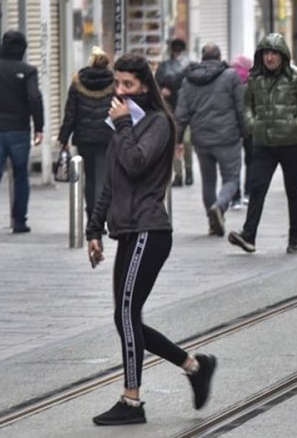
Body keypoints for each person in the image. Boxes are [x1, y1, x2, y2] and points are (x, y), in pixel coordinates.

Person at [86, 53, 216, 426]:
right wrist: (93, 231)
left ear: (145, 86)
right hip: (128, 231)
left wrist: (124, 124)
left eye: (128, 85)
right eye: (118, 84)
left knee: (126, 314)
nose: (121, 91)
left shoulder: (158, 122)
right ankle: (194, 366)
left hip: (150, 230)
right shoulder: (122, 125)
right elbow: (110, 183)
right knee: (125, 316)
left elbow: (137, 163)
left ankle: (131, 401)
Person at [227, 33, 297, 254]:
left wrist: (296, 124)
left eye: (274, 53)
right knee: (257, 189)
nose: (270, 58)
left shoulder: (296, 76)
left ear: (282, 55)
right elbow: (246, 104)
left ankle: (294, 238)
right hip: (263, 144)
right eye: (266, 53)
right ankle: (248, 235)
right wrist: (252, 124)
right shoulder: (254, 78)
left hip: (290, 144)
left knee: (292, 191)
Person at [173, 43, 246, 236]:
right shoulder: (230, 76)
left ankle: (213, 222)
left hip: (201, 139)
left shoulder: (189, 81)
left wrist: (178, 141)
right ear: (220, 56)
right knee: (231, 178)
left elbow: (180, 115)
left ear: (202, 58)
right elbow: (242, 108)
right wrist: (246, 133)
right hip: (227, 138)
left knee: (208, 181)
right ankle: (220, 207)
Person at [0, 30, 44, 235]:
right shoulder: (28, 70)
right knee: (21, 174)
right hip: (19, 130)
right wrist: (39, 127)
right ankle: (19, 221)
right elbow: (34, 98)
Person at [57, 46, 115, 222]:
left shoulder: (78, 82)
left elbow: (70, 114)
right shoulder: (114, 82)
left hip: (84, 138)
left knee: (89, 178)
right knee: (103, 177)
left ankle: (91, 215)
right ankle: (101, 217)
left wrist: (63, 138)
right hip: (107, 137)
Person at [155, 38, 194, 187]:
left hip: (184, 109)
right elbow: (156, 83)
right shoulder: (165, 66)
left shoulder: (189, 65)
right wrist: (161, 90)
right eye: (175, 50)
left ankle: (188, 171)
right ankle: (178, 174)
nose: (177, 53)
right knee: (175, 142)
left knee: (186, 142)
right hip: (170, 109)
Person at [230, 54, 254, 210]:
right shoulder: (253, 81)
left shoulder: (229, 80)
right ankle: (248, 193)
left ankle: (236, 196)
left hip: (232, 127)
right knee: (251, 161)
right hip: (251, 127)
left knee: (234, 163)